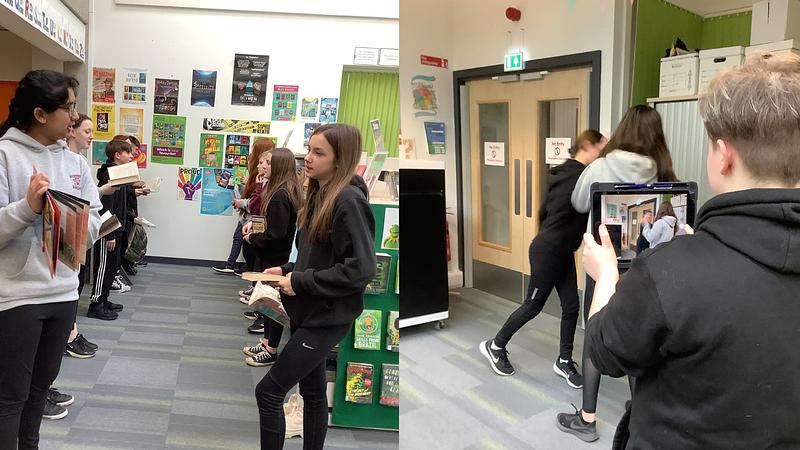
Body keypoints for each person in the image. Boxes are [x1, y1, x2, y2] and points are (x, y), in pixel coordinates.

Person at [578, 53, 800, 449]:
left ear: (723, 154)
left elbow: (602, 347)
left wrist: (608, 275)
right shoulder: (673, 265)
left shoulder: (668, 273)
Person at [557, 104, 678, 442]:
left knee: (596, 328)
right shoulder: (665, 172)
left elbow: (580, 203)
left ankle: (587, 418)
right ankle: (640, 410)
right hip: (648, 265)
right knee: (639, 333)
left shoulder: (600, 167)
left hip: (603, 263)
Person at [256, 124, 376, 450]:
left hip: (326, 318)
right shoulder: (320, 194)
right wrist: (287, 269)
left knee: (267, 392)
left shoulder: (348, 200)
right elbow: (319, 256)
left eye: (318, 152)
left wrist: (300, 280)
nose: (307, 158)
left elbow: (361, 269)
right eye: (309, 150)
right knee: (312, 393)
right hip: (308, 312)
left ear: (340, 160)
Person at [0, 70, 102, 447]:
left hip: (64, 292)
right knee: (11, 396)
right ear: (41, 114)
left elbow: (95, 216)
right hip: (17, 297)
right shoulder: (5, 154)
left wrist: (75, 223)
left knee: (40, 391)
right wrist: (28, 207)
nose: (75, 118)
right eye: (69, 108)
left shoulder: (75, 163)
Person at [479, 130, 607, 388]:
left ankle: (564, 360)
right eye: (601, 149)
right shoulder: (578, 177)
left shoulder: (564, 175)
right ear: (588, 146)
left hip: (560, 251)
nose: (602, 155)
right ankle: (495, 345)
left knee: (571, 306)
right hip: (548, 251)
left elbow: (542, 212)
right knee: (533, 305)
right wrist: (553, 240)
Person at [242, 148, 301, 367]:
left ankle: (271, 349)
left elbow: (274, 235)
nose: (262, 166)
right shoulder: (286, 189)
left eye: (268, 162)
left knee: (272, 303)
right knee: (269, 301)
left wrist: (252, 239)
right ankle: (267, 342)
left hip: (276, 257)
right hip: (280, 255)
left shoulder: (279, 194)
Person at [213, 138, 274, 275]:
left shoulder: (265, 178)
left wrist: (242, 201)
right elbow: (252, 195)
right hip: (249, 215)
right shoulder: (254, 173)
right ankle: (235, 266)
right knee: (243, 242)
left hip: (254, 217)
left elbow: (257, 201)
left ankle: (238, 267)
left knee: (250, 247)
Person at [87, 139, 133, 321]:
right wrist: (110, 233)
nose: (131, 156)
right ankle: (96, 302)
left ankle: (105, 299)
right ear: (117, 155)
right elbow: (105, 207)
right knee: (103, 267)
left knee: (112, 267)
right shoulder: (109, 175)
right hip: (109, 231)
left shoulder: (119, 174)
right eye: (128, 152)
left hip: (117, 229)